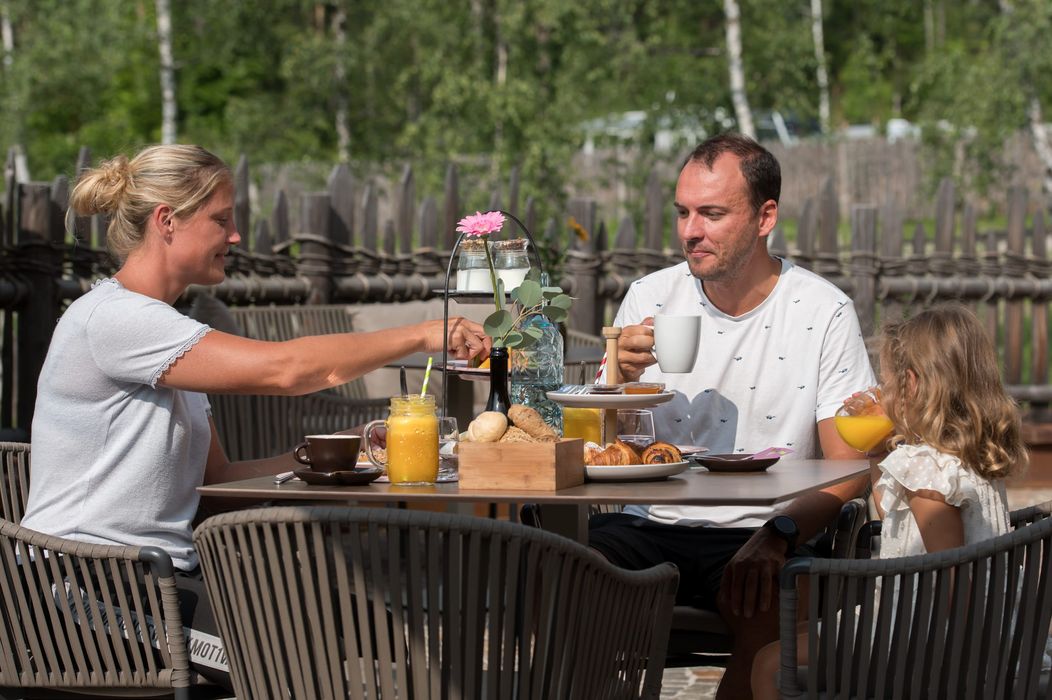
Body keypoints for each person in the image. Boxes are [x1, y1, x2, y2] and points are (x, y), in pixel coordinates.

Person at [19, 144, 490, 689]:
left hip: (160, 576)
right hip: (82, 592)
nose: (236, 236)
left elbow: (216, 481)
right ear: (167, 222)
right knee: (286, 656)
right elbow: (287, 371)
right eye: (222, 220)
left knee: (376, 630)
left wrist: (336, 456)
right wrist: (422, 333)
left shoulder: (167, 334)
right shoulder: (117, 320)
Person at [588, 132, 875, 699]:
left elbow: (852, 467)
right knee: (559, 568)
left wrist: (781, 532)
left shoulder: (822, 312)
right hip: (647, 526)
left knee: (769, 598)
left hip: (762, 527)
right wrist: (614, 383)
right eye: (683, 213)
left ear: (765, 216)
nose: (690, 231)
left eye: (712, 214)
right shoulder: (649, 297)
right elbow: (598, 451)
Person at [750, 304, 1028, 699]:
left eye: (887, 384)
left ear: (911, 385)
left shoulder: (928, 471)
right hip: (972, 629)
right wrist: (876, 446)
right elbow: (891, 512)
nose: (882, 393)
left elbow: (952, 579)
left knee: (771, 662)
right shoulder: (968, 458)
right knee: (793, 635)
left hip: (935, 646)